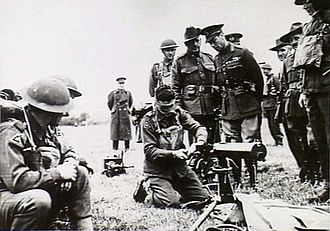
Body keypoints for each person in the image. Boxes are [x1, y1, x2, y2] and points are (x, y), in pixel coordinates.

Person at [0, 78, 93, 230]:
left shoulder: (47, 128)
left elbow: (68, 152)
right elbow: (18, 182)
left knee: (81, 173)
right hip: (6, 195)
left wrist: (69, 166)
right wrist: (58, 173)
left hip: (26, 193)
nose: (65, 113)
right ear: (48, 112)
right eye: (61, 111)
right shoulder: (10, 131)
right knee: (38, 200)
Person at [201, 24, 264, 187]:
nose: (214, 46)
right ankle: (236, 179)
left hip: (247, 104)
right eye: (211, 44)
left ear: (222, 35)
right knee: (232, 145)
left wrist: (256, 101)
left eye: (215, 41)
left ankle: (252, 179)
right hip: (228, 107)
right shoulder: (216, 59)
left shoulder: (242, 53)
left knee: (248, 143)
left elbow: (258, 79)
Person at [133, 85, 210, 208]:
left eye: (170, 106)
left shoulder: (179, 114)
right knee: (171, 203)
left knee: (203, 199)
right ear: (156, 102)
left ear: (174, 102)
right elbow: (150, 151)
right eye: (164, 107)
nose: (168, 110)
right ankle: (146, 187)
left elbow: (198, 128)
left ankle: (172, 188)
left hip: (180, 170)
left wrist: (199, 142)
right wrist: (174, 153)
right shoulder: (148, 120)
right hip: (158, 172)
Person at [294, 0, 330, 202]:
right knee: (320, 140)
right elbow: (303, 61)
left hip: (328, 89)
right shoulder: (309, 25)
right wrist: (303, 90)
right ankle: (328, 184)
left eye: (308, 1)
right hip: (313, 89)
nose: (305, 6)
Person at [172, 26, 217, 144]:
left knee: (213, 139)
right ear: (186, 44)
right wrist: (179, 108)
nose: (195, 45)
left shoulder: (209, 58)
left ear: (200, 40)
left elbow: (217, 82)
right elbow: (175, 88)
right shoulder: (180, 61)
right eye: (191, 42)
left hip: (210, 106)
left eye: (197, 41)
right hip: (191, 107)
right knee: (196, 140)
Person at [279, 22, 312, 182]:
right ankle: (305, 171)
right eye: (291, 40)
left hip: (310, 100)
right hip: (292, 104)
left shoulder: (312, 53)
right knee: (297, 140)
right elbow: (284, 84)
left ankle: (318, 172)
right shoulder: (287, 61)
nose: (293, 42)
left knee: (314, 139)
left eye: (297, 38)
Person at [260, 63, 284, 146]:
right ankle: (276, 140)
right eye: (263, 70)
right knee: (270, 125)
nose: (264, 71)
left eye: (266, 69)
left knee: (274, 125)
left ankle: (279, 141)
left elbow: (279, 90)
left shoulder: (274, 78)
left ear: (269, 70)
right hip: (267, 106)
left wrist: (275, 96)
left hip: (273, 105)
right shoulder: (267, 79)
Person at [107, 77, 133, 151]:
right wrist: (114, 109)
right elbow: (109, 103)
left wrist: (127, 110)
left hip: (125, 114)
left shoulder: (128, 93)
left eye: (123, 83)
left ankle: (127, 147)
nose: (121, 85)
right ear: (117, 84)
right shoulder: (113, 93)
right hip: (116, 114)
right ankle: (115, 148)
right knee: (115, 132)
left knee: (126, 131)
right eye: (120, 83)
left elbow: (130, 103)